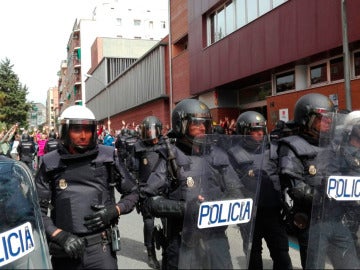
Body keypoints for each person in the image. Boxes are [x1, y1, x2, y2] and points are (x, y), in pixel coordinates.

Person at [142, 99, 243, 269]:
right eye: (196, 124)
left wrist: (223, 204)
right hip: (183, 240)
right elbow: (149, 202)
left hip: (216, 236)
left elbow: (236, 191)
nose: (203, 128)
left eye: (206, 124)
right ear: (181, 126)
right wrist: (187, 208)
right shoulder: (170, 156)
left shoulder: (218, 154)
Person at [35, 105, 139, 270]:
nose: (83, 135)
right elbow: (35, 211)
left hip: (101, 249)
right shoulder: (50, 162)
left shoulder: (108, 157)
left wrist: (115, 210)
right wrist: (59, 236)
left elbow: (133, 193)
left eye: (87, 130)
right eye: (76, 130)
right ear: (65, 131)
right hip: (66, 250)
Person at [277, 93, 335, 269]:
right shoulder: (292, 146)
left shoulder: (333, 144)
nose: (328, 122)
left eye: (330, 118)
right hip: (310, 216)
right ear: (306, 119)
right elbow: (296, 187)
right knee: (314, 264)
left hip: (335, 215)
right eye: (322, 118)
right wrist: (324, 196)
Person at [228, 111, 292, 270]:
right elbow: (231, 183)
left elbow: (284, 176)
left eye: (262, 129)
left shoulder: (274, 150)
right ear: (243, 132)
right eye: (254, 130)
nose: (260, 133)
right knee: (253, 257)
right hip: (250, 214)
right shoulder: (233, 154)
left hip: (273, 212)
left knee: (282, 255)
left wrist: (286, 200)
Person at [131, 116, 164, 269]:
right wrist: (137, 191)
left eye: (152, 130)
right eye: (147, 131)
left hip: (164, 188)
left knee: (168, 221)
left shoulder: (166, 144)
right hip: (145, 190)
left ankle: (168, 249)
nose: (150, 134)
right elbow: (134, 170)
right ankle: (151, 253)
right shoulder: (138, 147)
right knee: (149, 222)